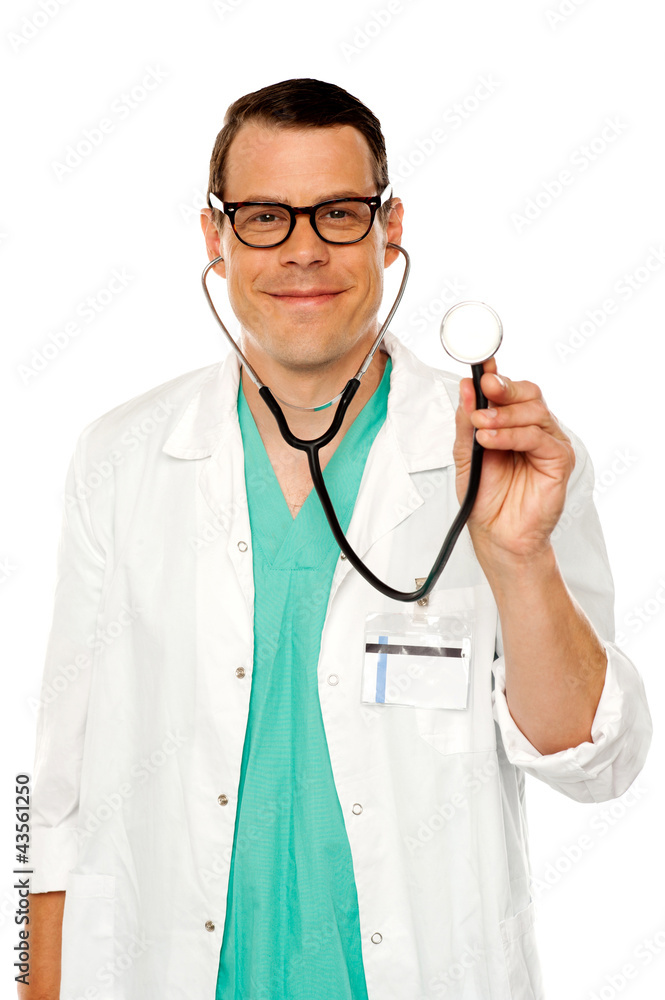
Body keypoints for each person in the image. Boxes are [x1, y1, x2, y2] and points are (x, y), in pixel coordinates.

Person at [25, 78, 652, 1000]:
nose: (303, 250)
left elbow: (595, 763)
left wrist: (518, 560)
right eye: (265, 217)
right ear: (215, 238)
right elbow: (51, 793)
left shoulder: (503, 454)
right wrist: (30, 981)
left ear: (388, 228)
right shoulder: (121, 456)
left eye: (339, 213)